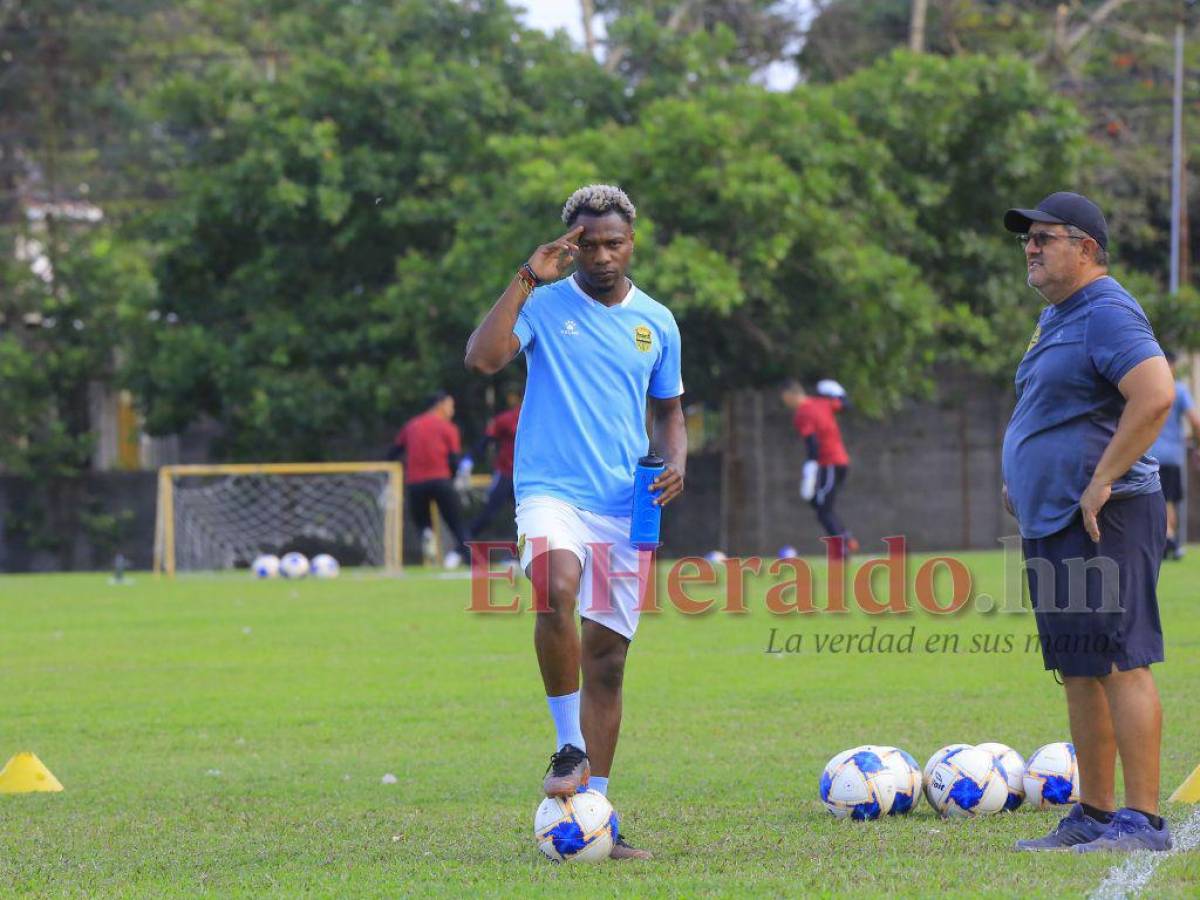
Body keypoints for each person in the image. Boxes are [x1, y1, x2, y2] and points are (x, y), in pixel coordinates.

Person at [464, 184, 686, 860]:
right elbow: (483, 358)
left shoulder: (657, 322)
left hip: (628, 504)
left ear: (632, 242)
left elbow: (670, 410)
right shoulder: (544, 302)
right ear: (571, 245)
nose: (601, 254)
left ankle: (597, 817)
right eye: (587, 243)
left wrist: (677, 462)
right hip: (550, 490)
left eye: (612, 242)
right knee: (552, 585)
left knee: (610, 664)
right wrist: (527, 276)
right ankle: (568, 747)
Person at [1001, 192, 1175, 852]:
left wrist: (1102, 479)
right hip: (1056, 517)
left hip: (1109, 515)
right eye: (1027, 239)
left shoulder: (1106, 310)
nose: (1031, 248)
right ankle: (1095, 815)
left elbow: (1154, 394)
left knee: (1120, 661)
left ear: (1087, 249)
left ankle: (1143, 820)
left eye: (1045, 237)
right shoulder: (1057, 317)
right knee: (1078, 665)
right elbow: (1050, 410)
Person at [388, 391, 470, 566]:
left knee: (423, 522)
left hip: (416, 484)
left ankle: (427, 534)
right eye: (450, 405)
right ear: (440, 405)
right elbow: (454, 459)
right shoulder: (448, 428)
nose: (452, 410)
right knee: (457, 525)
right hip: (441, 481)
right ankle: (472, 562)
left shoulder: (412, 425)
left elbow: (393, 452)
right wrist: (455, 478)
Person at [780, 378, 858, 557]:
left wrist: (810, 468)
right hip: (840, 462)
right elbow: (846, 406)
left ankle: (842, 548)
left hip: (829, 463)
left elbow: (812, 443)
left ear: (791, 395)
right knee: (820, 505)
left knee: (823, 509)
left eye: (785, 398)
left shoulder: (802, 413)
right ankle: (846, 539)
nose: (785, 403)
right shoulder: (823, 403)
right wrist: (840, 393)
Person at [1148, 350, 1200, 560]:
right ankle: (1169, 540)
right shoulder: (1177, 389)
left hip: (1145, 454)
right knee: (1168, 502)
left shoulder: (1146, 388)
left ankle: (1165, 541)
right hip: (1170, 456)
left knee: (1157, 500)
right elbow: (1195, 420)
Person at [461, 385, 522, 540]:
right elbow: (486, 441)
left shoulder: (540, 418)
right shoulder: (506, 419)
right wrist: (469, 459)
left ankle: (520, 556)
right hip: (505, 474)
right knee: (489, 513)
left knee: (527, 516)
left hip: (527, 477)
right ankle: (461, 547)